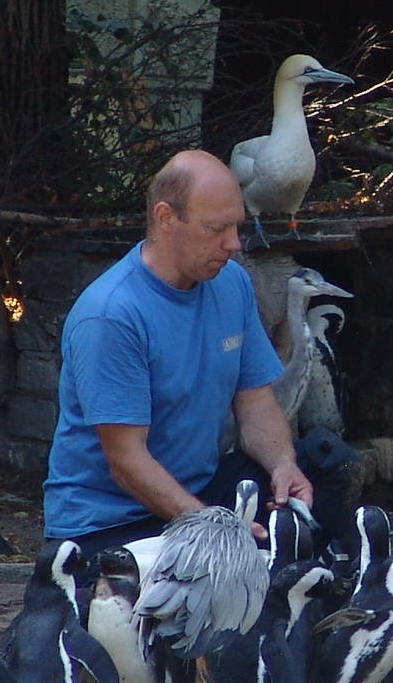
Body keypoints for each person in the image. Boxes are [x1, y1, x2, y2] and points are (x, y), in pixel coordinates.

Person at [44, 150, 356, 569]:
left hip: (203, 489)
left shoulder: (232, 283)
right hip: (113, 520)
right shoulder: (112, 313)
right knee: (209, 578)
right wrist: (213, 527)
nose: (234, 244)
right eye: (216, 229)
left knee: (326, 460)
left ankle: (333, 580)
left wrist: (284, 464)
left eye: (236, 226)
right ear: (166, 218)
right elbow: (126, 463)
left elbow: (257, 405)